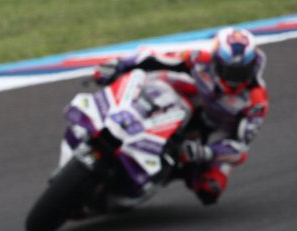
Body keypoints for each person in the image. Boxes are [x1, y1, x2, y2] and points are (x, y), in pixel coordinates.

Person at [94, 26, 268, 205]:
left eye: (240, 72)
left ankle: (164, 174)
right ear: (216, 60)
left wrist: (207, 152)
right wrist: (119, 64)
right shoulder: (199, 59)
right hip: (186, 104)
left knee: (210, 189)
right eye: (229, 70)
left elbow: (240, 148)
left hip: (212, 134)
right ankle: (119, 117)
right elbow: (156, 57)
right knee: (158, 82)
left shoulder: (255, 102)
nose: (234, 79)